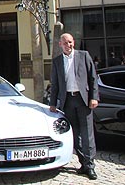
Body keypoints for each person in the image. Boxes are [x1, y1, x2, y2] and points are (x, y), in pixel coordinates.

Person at [49, 33, 99, 180]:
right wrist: (52, 103)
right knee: (75, 134)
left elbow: (93, 78)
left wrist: (94, 97)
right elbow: (55, 84)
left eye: (70, 42)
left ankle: (90, 166)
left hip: (83, 100)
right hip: (68, 102)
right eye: (65, 43)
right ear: (60, 45)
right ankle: (83, 162)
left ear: (73, 42)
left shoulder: (83, 56)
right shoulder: (57, 61)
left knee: (87, 134)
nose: (68, 45)